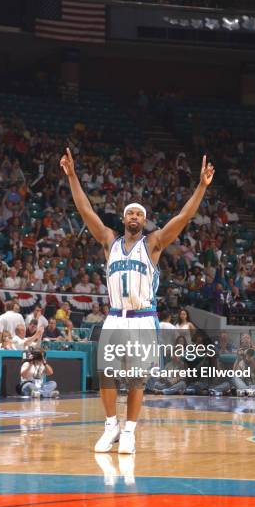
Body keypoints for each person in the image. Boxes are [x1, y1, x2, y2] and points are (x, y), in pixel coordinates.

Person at [60, 147, 215, 454]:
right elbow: (85, 211)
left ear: (144, 221)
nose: (134, 217)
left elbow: (184, 217)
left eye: (139, 214)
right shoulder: (109, 241)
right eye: (130, 213)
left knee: (135, 377)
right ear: (123, 218)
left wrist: (201, 187)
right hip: (116, 316)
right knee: (106, 373)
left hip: (143, 316)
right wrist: (73, 175)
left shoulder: (154, 243)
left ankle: (129, 430)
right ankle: (110, 426)